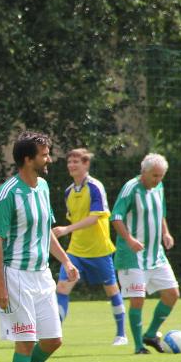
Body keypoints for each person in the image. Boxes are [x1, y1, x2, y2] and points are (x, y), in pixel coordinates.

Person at [0, 131, 78, 362]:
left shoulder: (43, 187)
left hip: (41, 275)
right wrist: (1, 285)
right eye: (44, 155)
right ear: (28, 159)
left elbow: (45, 231)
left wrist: (66, 261)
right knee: (25, 342)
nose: (49, 159)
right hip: (15, 275)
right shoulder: (8, 193)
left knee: (53, 340)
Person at [53, 148, 128, 347]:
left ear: (86, 164)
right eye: (69, 162)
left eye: (76, 161)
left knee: (111, 290)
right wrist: (69, 230)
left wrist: (67, 229)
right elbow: (75, 218)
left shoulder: (95, 187)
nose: (71, 165)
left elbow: (94, 218)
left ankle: (121, 334)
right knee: (62, 287)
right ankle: (54, 334)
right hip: (75, 251)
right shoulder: (69, 191)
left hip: (99, 250)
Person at [111, 153, 179, 354]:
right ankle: (139, 346)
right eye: (154, 176)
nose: (158, 180)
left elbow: (161, 213)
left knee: (172, 294)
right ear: (144, 172)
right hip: (132, 256)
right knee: (138, 299)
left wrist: (165, 233)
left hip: (155, 255)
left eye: (161, 176)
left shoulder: (159, 187)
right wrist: (130, 239)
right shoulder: (130, 188)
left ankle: (150, 334)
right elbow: (116, 217)